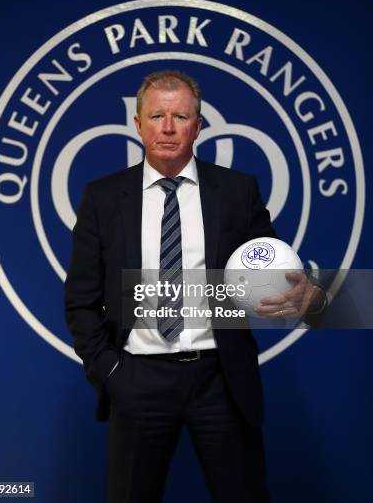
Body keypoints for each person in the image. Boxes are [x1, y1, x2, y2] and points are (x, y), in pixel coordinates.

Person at [64, 70, 327, 503]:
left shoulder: (238, 191)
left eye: (181, 116)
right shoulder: (103, 197)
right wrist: (111, 372)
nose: (168, 128)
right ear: (137, 123)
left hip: (220, 379)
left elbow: (275, 269)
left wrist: (312, 297)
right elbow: (80, 301)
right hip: (138, 379)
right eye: (157, 116)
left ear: (199, 125)